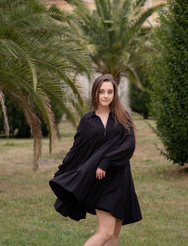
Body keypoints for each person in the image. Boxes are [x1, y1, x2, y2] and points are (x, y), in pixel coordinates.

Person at [49, 74, 142, 246]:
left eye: (110, 92)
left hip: (120, 178)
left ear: (114, 94)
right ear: (95, 94)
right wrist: (61, 171)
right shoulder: (87, 121)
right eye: (102, 92)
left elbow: (129, 145)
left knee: (114, 234)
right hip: (100, 181)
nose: (106, 95)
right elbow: (77, 150)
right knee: (105, 232)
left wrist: (106, 161)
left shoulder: (123, 117)